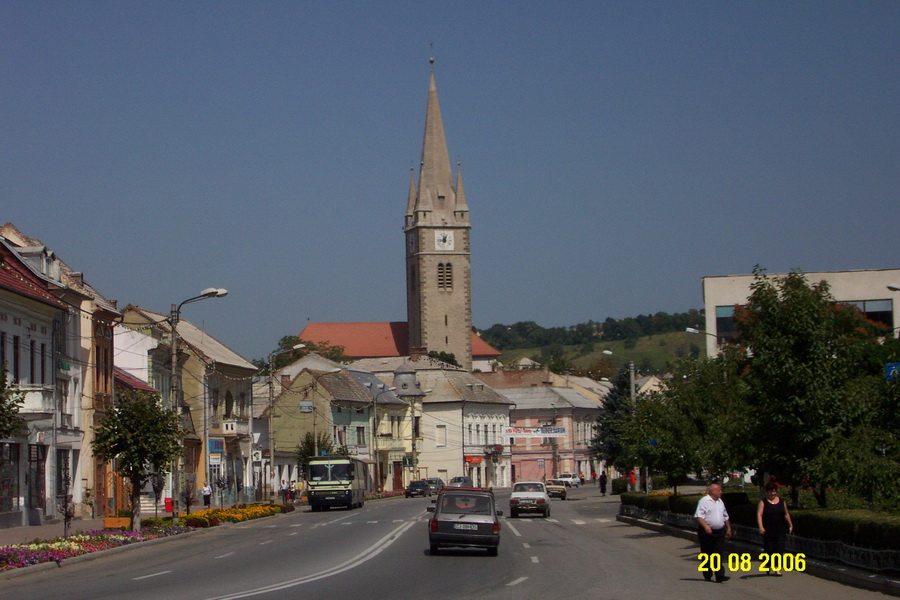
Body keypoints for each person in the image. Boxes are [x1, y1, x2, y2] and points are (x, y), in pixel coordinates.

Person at [694, 482, 732, 583]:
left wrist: (728, 528)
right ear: (713, 491)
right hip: (707, 531)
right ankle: (707, 574)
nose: (721, 492)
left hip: (720, 531)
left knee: (718, 553)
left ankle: (720, 575)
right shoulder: (704, 501)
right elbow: (699, 516)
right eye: (719, 490)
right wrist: (706, 527)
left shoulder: (720, 501)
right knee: (707, 553)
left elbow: (725, 516)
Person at [757, 482, 793, 575]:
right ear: (767, 492)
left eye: (773, 491)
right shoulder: (763, 502)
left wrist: (790, 525)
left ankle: (777, 568)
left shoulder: (782, 501)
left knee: (779, 549)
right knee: (769, 549)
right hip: (768, 529)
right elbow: (759, 514)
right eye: (770, 492)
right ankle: (768, 564)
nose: (772, 494)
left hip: (780, 529)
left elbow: (786, 514)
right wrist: (761, 526)